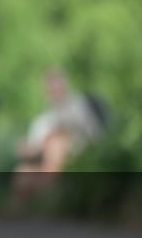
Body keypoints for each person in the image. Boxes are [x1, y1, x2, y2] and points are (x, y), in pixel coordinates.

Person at [10, 67, 103, 208]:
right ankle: (17, 208)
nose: (55, 89)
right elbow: (34, 146)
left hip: (75, 159)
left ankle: (48, 200)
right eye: (51, 86)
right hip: (45, 162)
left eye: (58, 84)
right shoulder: (43, 120)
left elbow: (93, 136)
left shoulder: (79, 107)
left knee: (56, 142)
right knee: (23, 170)